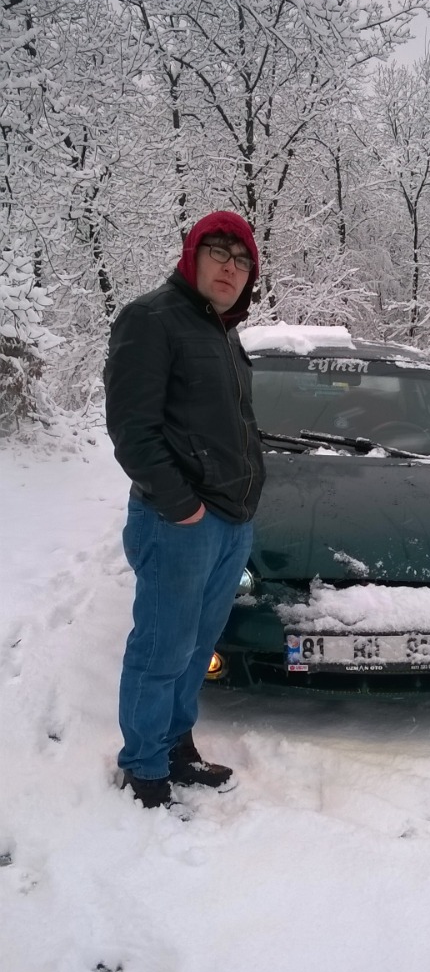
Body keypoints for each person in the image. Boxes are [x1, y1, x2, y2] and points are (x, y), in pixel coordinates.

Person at [104, 211, 265, 809]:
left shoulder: (222, 331)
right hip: (178, 523)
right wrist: (182, 507)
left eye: (242, 260)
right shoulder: (151, 319)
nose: (230, 266)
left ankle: (176, 748)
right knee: (162, 648)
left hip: (231, 520)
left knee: (197, 647)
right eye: (218, 251)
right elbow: (132, 429)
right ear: (191, 255)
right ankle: (145, 768)